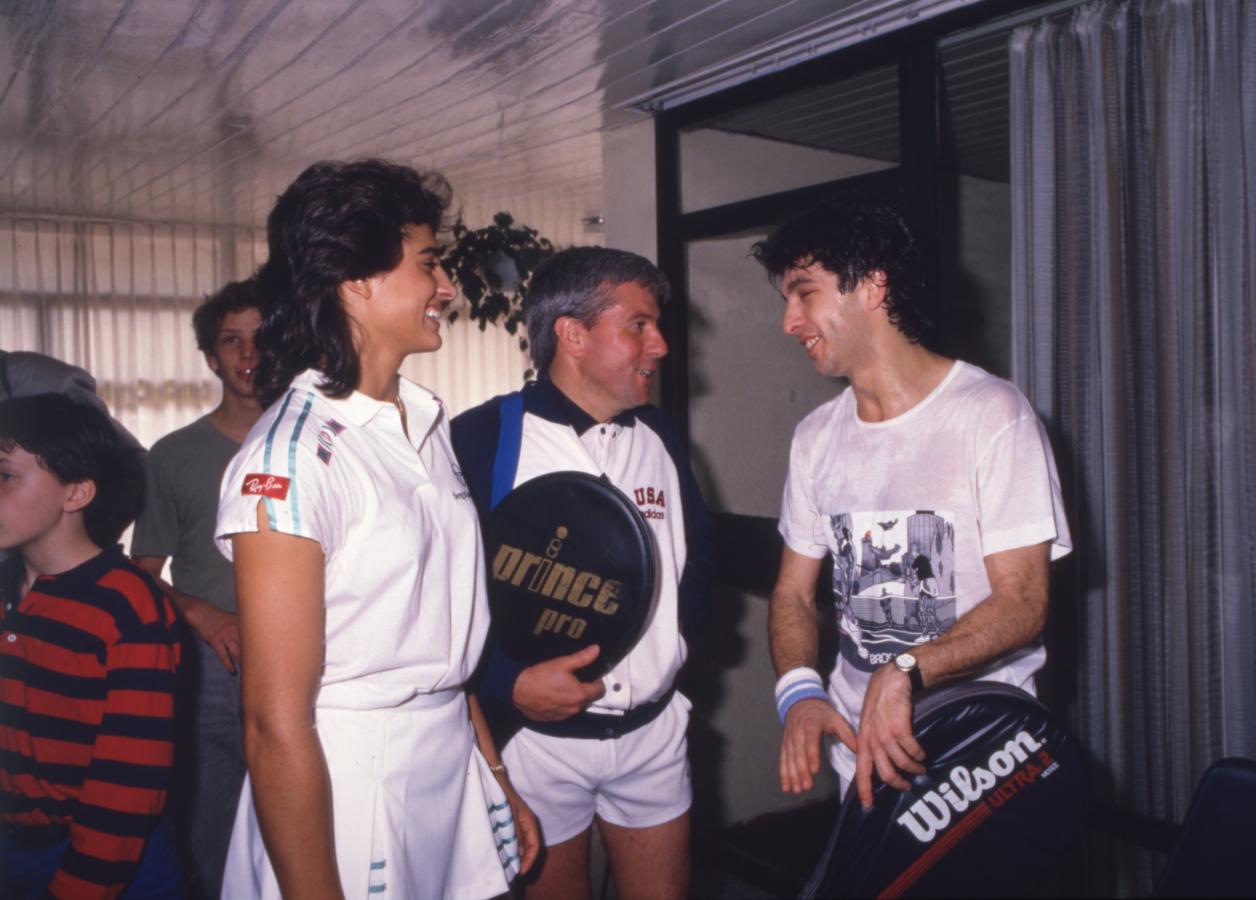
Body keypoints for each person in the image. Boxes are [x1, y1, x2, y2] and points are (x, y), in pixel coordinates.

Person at [213, 158, 536, 900]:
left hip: (446, 760)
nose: (446, 288)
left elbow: (440, 648)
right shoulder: (291, 458)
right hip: (348, 790)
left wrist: (494, 780)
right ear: (356, 278)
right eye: (428, 264)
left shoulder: (422, 420)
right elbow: (272, 722)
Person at [752, 193, 1071, 810]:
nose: (789, 321)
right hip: (862, 764)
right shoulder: (815, 437)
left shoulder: (992, 415)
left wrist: (906, 669)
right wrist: (800, 692)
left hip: (981, 758)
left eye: (804, 292)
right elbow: (792, 592)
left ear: (870, 286)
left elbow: (1025, 604)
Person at [451, 246, 714, 900]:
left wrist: (673, 650)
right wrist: (506, 684)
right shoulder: (480, 441)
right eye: (638, 325)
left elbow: (696, 565)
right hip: (535, 746)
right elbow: (437, 604)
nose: (659, 346)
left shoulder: (659, 434)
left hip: (652, 734)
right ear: (571, 334)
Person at [0, 393, 181, 899]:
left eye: (4, 476)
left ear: (75, 493)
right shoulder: (7, 588)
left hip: (109, 862)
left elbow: (128, 785)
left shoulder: (127, 607)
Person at [131, 279, 261, 898]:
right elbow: (140, 578)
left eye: (261, 339)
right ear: (212, 356)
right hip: (215, 668)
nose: (248, 355)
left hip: (320, 659)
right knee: (213, 828)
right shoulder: (174, 456)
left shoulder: (316, 446)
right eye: (231, 341)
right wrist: (201, 613)